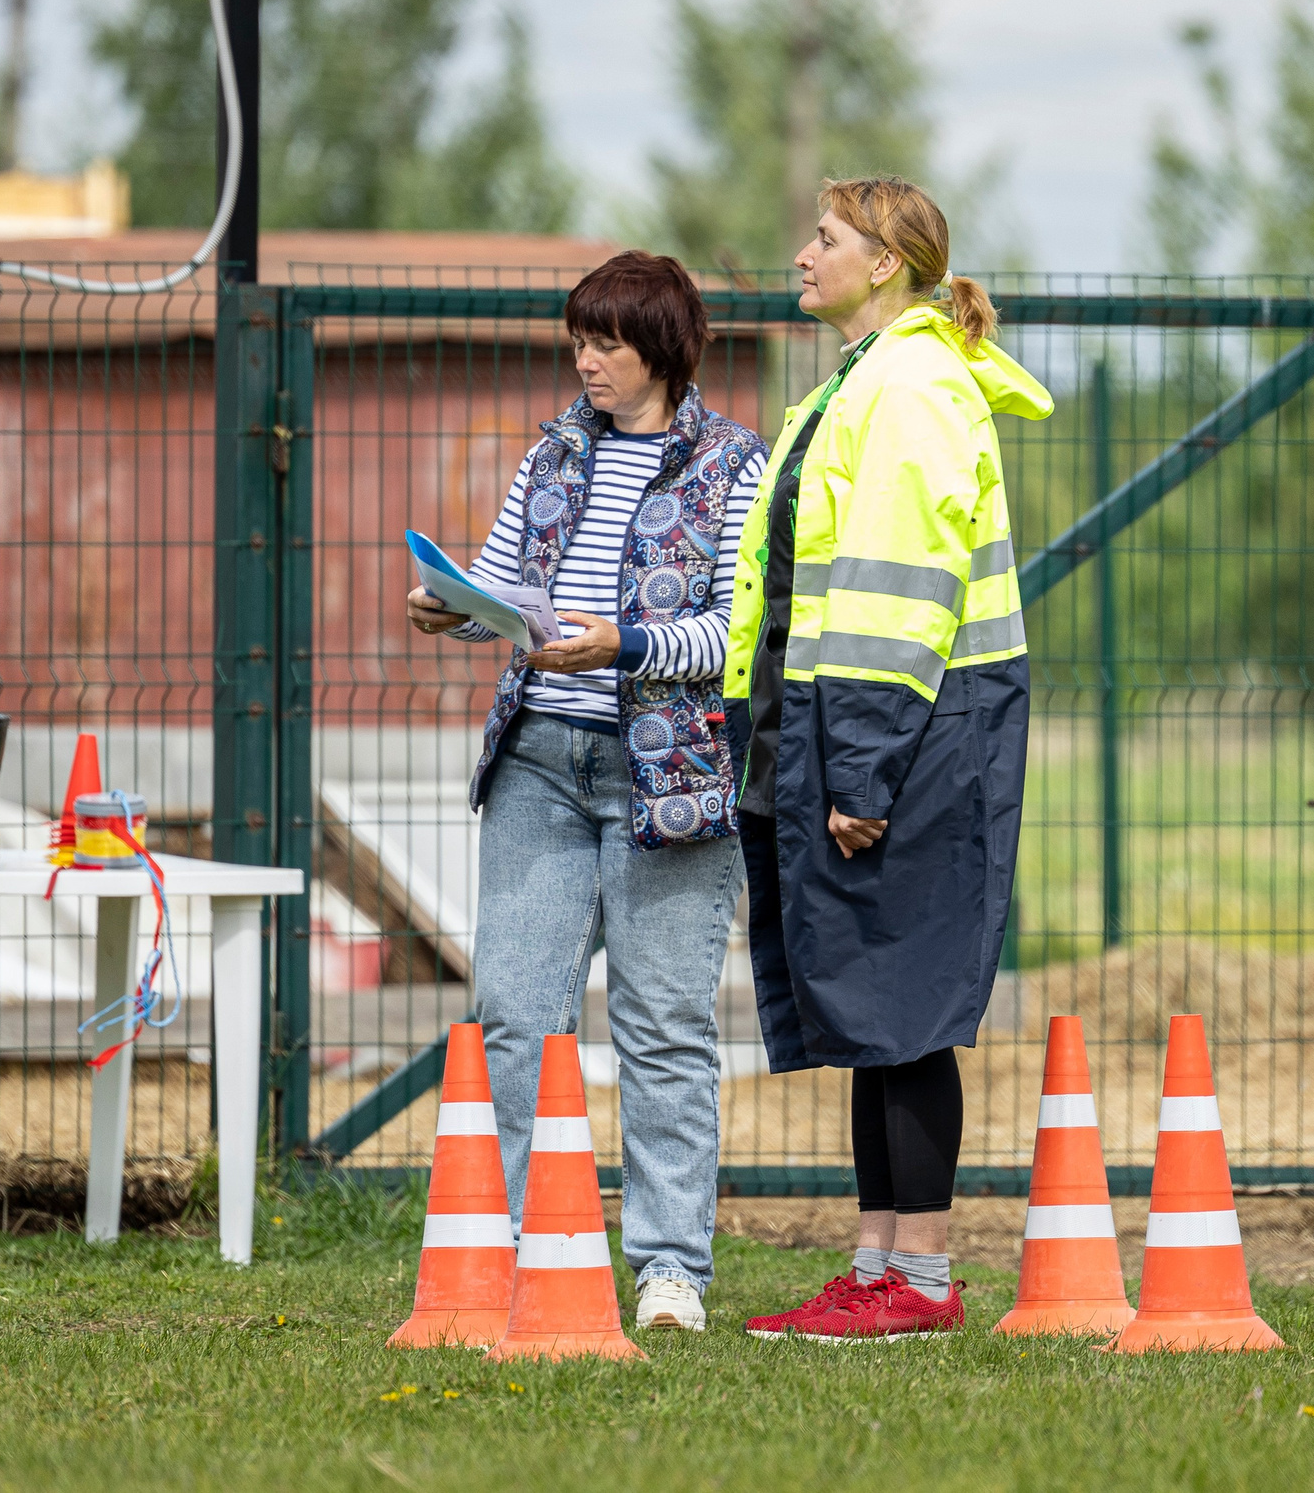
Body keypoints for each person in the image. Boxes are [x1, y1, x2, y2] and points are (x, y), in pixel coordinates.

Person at [407, 250, 765, 1333]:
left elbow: (733, 632)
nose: (587, 361)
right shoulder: (553, 452)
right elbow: (509, 582)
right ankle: (511, 1250)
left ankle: (668, 1272)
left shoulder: (731, 465)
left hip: (669, 784)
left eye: (605, 341)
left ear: (662, 345)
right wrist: (456, 608)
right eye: (579, 340)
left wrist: (628, 645)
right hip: (538, 768)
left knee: (663, 1030)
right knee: (514, 1015)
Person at [727, 177, 1050, 1342]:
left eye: (822, 238)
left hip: (902, 736)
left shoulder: (906, 388)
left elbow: (899, 597)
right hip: (863, 730)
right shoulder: (872, 379)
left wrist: (859, 773)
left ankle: (915, 1281)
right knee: (874, 1011)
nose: (801, 254)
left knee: (903, 1015)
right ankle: (878, 1266)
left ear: (883, 263)